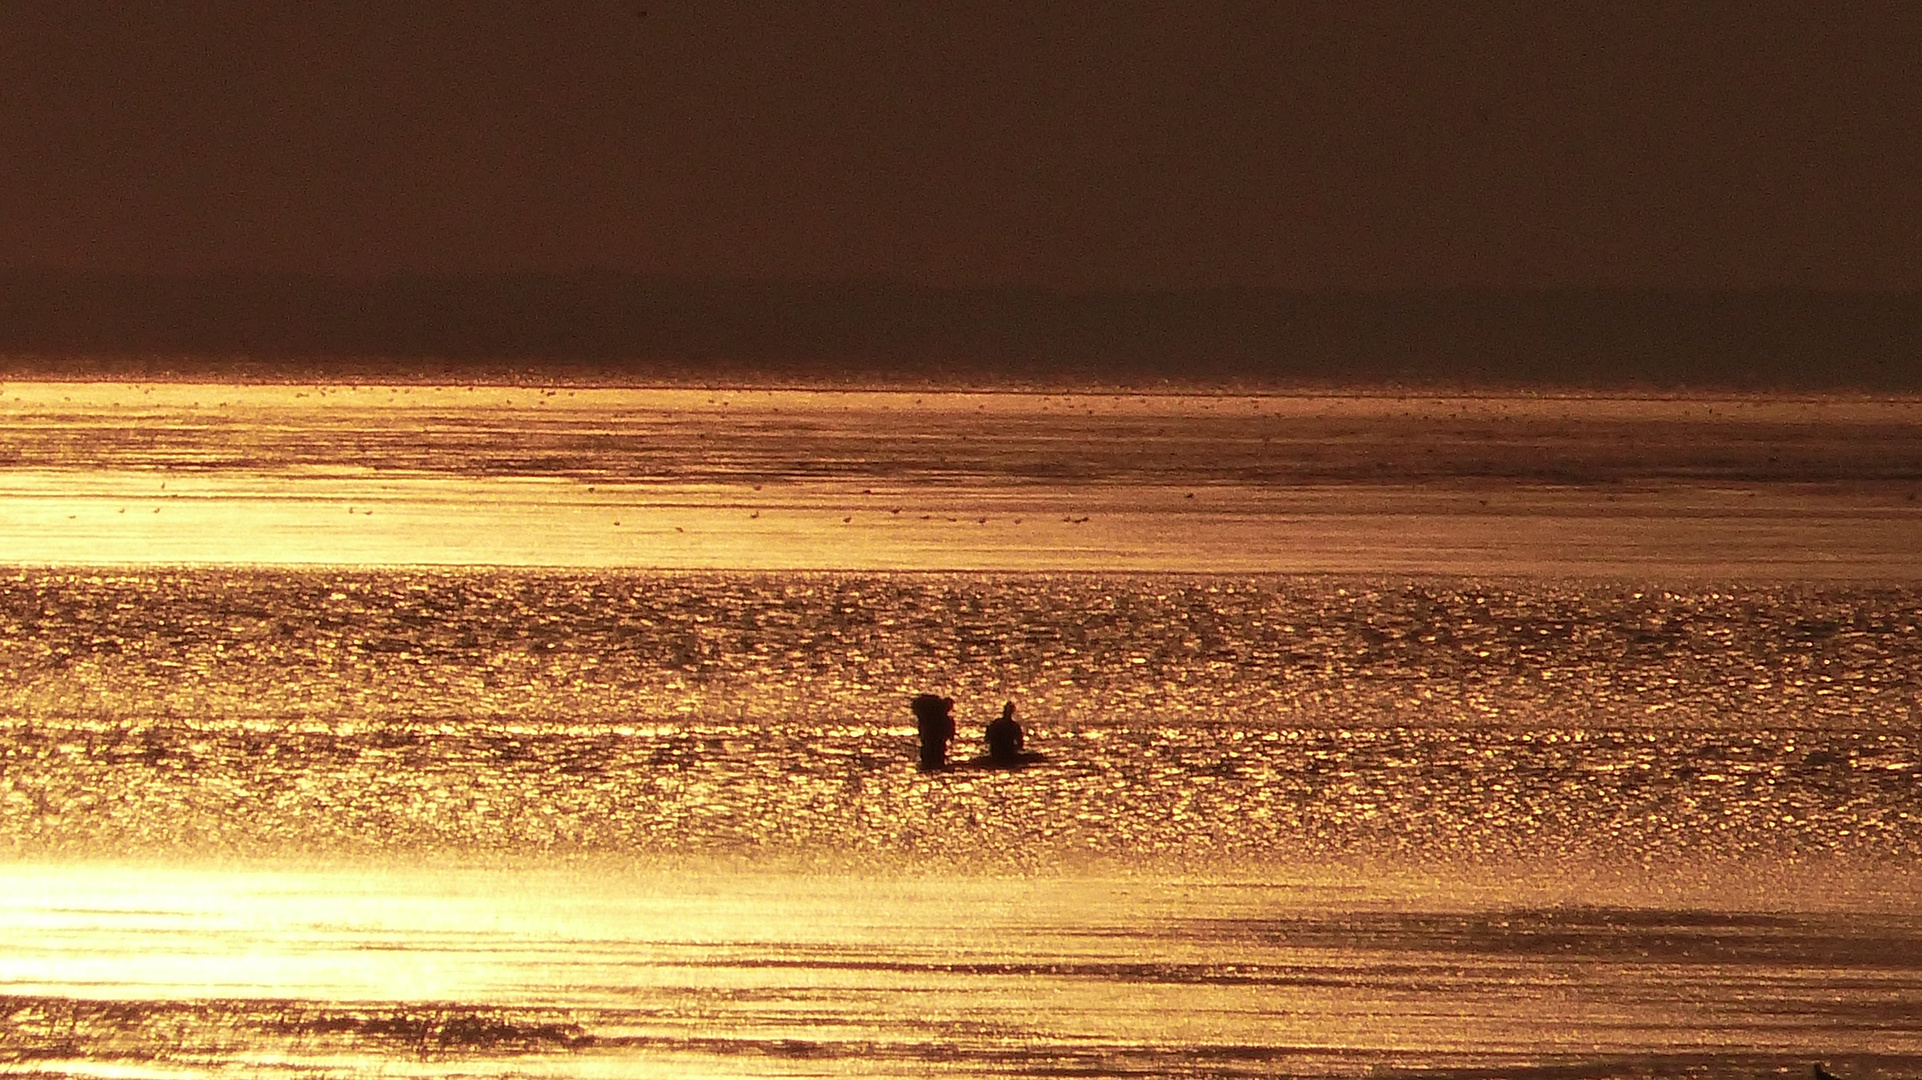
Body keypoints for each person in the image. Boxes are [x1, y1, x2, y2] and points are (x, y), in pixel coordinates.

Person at [910, 693, 955, 769]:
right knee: (934, 751)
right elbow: (948, 730)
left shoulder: (940, 718)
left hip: (929, 740)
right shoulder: (940, 718)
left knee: (931, 750)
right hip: (932, 741)